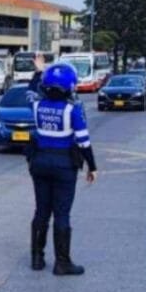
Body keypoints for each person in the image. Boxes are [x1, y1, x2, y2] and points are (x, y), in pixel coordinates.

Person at [27, 56, 97, 275]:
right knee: (62, 214)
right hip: (64, 165)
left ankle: (37, 258)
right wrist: (92, 167)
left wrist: (39, 71)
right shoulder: (72, 110)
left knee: (41, 211)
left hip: (39, 162)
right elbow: (84, 142)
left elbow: (31, 90)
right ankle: (62, 263)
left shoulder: (37, 105)